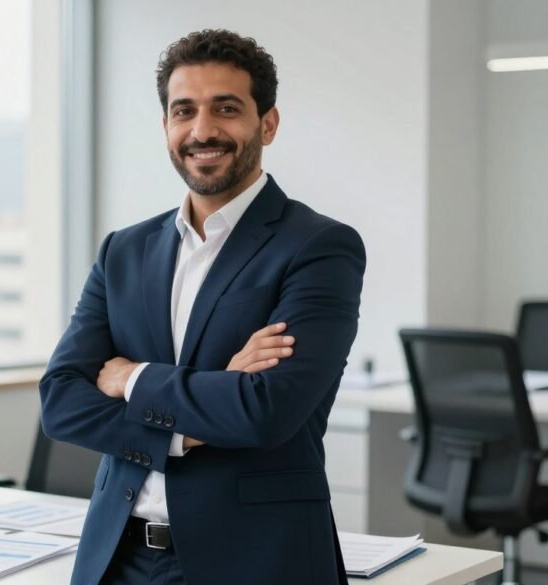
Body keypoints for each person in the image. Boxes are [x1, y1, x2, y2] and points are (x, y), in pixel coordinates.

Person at [39, 29, 365, 585]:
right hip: (116, 560)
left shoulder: (318, 247)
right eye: (183, 110)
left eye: (226, 109)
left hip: (256, 561)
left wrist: (132, 377)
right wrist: (194, 419)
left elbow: (266, 411)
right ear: (165, 125)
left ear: (267, 123)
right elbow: (61, 400)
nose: (202, 130)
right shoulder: (124, 250)